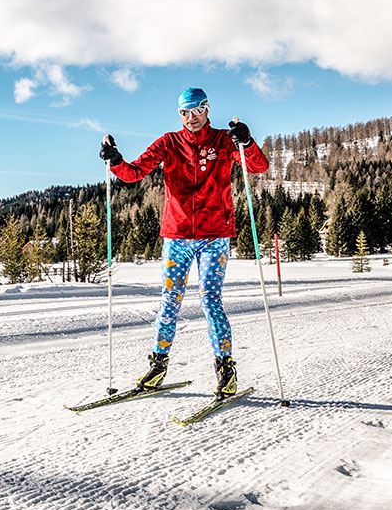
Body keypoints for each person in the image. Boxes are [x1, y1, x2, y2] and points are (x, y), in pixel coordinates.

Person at [101, 86, 269, 400]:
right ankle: (158, 365)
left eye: (197, 110)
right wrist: (116, 161)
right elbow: (135, 172)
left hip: (215, 235)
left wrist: (246, 142)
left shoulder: (223, 141)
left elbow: (258, 166)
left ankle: (225, 368)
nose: (191, 118)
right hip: (176, 236)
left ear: (208, 109)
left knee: (210, 301)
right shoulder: (169, 142)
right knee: (169, 302)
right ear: (179, 114)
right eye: (185, 112)